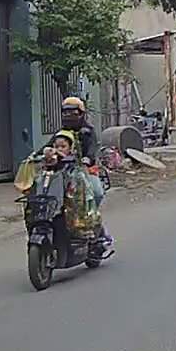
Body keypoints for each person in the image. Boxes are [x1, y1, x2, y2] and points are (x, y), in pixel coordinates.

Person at [57, 97, 113, 255]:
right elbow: (48, 146)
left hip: (86, 172)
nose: (68, 116)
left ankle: (93, 223)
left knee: (96, 192)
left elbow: (93, 148)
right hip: (63, 173)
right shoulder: (61, 133)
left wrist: (88, 158)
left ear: (81, 114)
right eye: (65, 113)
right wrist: (36, 156)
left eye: (73, 113)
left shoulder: (88, 131)